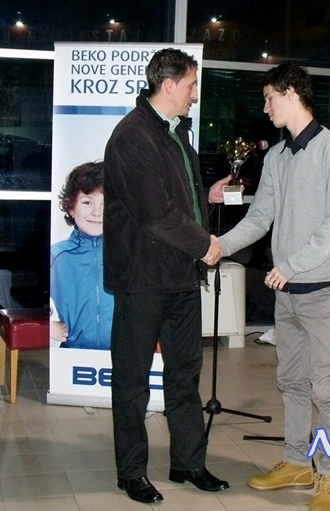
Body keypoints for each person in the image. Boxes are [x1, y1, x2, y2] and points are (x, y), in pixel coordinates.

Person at [208, 63, 330, 511]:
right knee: (291, 381)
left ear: (291, 93)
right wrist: (220, 244)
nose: (265, 106)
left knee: (326, 388)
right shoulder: (276, 156)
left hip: (322, 288)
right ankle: (296, 463)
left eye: (269, 97)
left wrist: (291, 264)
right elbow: (260, 218)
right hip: (287, 291)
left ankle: (329, 475)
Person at [102, 48, 229, 505]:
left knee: (184, 376)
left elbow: (176, 200)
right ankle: (131, 472)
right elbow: (155, 214)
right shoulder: (132, 136)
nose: (195, 94)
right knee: (132, 381)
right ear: (169, 84)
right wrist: (205, 244)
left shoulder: (176, 133)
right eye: (192, 85)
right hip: (142, 280)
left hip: (180, 277)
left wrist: (206, 196)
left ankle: (187, 462)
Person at [50, 161, 113, 350]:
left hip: (123, 357)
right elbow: (26, 301)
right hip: (72, 356)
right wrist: (47, 325)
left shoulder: (130, 255)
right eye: (87, 202)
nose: (97, 212)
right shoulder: (56, 256)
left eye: (106, 203)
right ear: (71, 207)